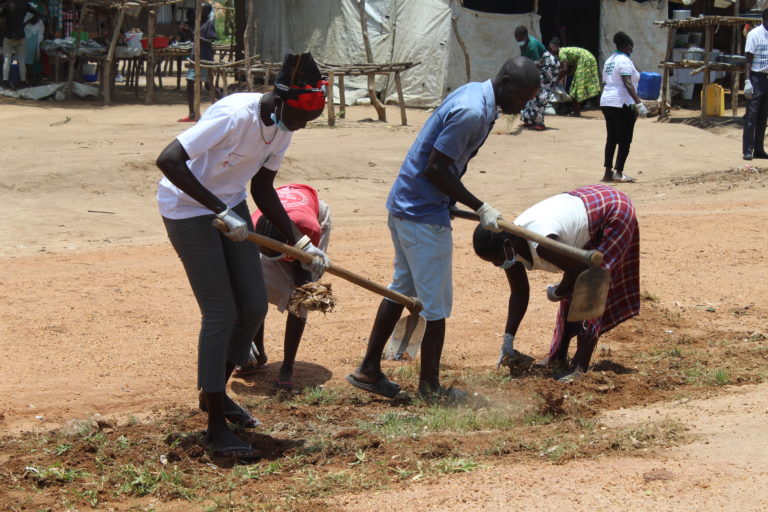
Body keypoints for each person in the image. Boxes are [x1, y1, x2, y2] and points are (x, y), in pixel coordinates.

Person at [155, 53, 331, 458]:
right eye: (301, 118)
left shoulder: (283, 125)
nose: (302, 127)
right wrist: (217, 210)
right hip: (186, 207)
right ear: (283, 98)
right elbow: (168, 161)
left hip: (228, 204)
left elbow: (264, 188)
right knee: (220, 313)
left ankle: (213, 391)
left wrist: (299, 241)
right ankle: (216, 426)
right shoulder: (236, 116)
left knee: (252, 306)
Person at [345, 56, 540, 403]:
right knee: (435, 308)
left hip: (409, 204)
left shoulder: (478, 98)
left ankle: (369, 369)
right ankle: (430, 389)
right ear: (507, 82)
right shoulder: (473, 111)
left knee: (401, 290)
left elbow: (445, 164)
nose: (522, 106)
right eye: (522, 98)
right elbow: (436, 169)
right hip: (420, 214)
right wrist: (478, 207)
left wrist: (449, 200)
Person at [471, 184, 640, 383]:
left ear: (508, 245)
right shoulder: (510, 245)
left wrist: (558, 292)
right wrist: (507, 341)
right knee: (572, 289)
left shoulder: (542, 245)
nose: (497, 264)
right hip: (584, 204)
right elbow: (519, 293)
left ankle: (580, 366)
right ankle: (558, 357)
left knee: (591, 284)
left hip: (612, 210)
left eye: (495, 260)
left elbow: (580, 272)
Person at [233, 183, 332, 392]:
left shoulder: (309, 230)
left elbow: (302, 282)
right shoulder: (251, 227)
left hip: (308, 222)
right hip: (280, 210)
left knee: (301, 296)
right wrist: (242, 332)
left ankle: (287, 368)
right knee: (255, 284)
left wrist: (308, 276)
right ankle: (258, 355)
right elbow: (244, 286)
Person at [599, 31, 647, 183]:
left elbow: (607, 81)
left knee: (611, 138)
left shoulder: (609, 61)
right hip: (622, 103)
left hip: (607, 101)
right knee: (625, 139)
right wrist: (639, 103)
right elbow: (627, 82)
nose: (631, 52)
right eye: (631, 49)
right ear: (627, 46)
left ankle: (607, 173)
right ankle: (618, 172)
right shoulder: (624, 61)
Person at [178, 3, 219, 123]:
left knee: (208, 85)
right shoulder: (198, 23)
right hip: (194, 58)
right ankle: (192, 113)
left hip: (205, 58)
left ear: (207, 11)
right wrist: (188, 32)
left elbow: (209, 42)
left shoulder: (209, 24)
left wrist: (193, 34)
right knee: (190, 83)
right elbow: (194, 39)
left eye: (202, 10)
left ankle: (225, 101)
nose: (199, 11)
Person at [549, 39, 600, 117]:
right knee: (575, 85)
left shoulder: (561, 53)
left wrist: (556, 80)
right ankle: (573, 109)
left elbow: (565, 69)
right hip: (587, 58)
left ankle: (576, 112)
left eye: (552, 48)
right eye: (550, 49)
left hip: (585, 59)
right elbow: (566, 71)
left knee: (578, 85)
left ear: (556, 47)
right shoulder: (562, 53)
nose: (551, 51)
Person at [742, 8, 768, 161]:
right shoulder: (754, 34)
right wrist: (747, 81)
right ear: (765, 19)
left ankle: (759, 149)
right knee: (751, 115)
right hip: (756, 79)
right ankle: (747, 150)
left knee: (763, 116)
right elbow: (748, 59)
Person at [520, 39, 560, 131]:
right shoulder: (526, 48)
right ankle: (529, 120)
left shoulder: (534, 48)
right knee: (532, 99)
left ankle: (539, 123)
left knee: (540, 100)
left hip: (546, 78)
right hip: (541, 78)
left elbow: (540, 69)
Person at [0, 0, 37, 88]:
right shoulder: (24, 3)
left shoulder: (6, 4)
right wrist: (26, 23)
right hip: (21, 35)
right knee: (21, 61)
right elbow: (37, 13)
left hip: (9, 36)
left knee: (7, 60)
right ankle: (22, 82)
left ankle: (5, 82)